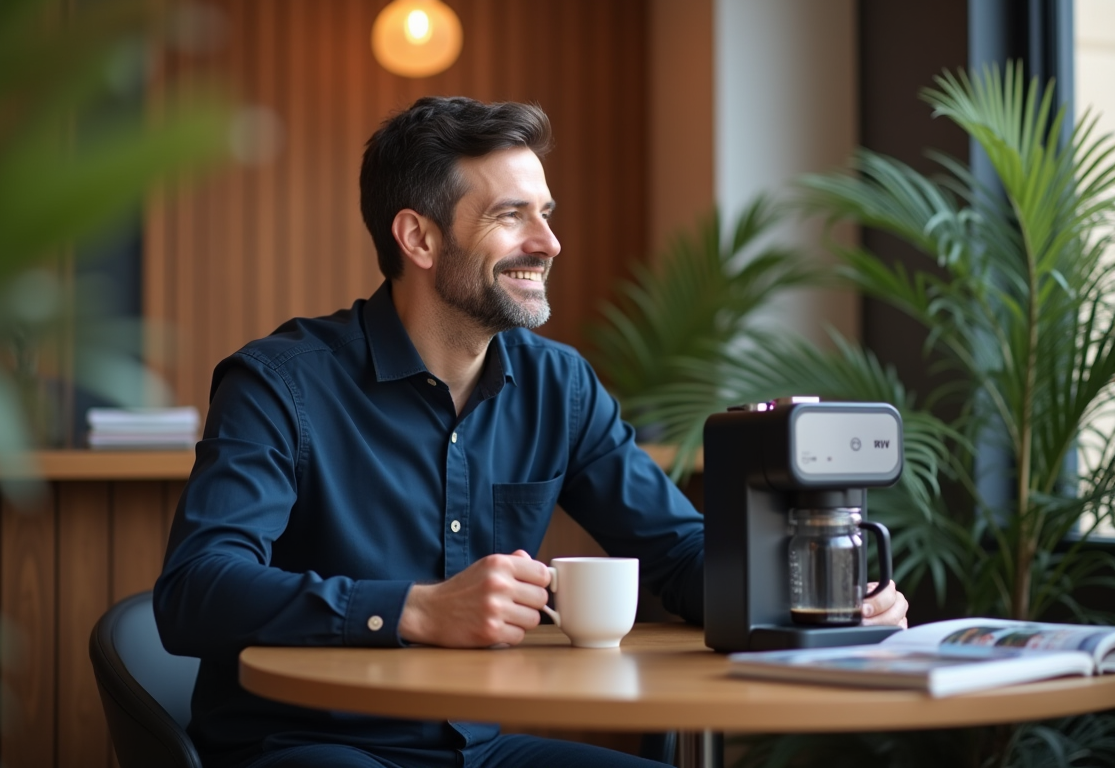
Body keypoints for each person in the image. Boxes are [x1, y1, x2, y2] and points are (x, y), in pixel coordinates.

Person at [153, 96, 909, 768]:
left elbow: (676, 552)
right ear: (418, 238)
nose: (548, 243)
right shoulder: (280, 383)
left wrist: (816, 596)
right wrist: (413, 607)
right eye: (513, 215)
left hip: (477, 749)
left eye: (547, 214)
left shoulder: (560, 386)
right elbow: (196, 590)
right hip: (305, 745)